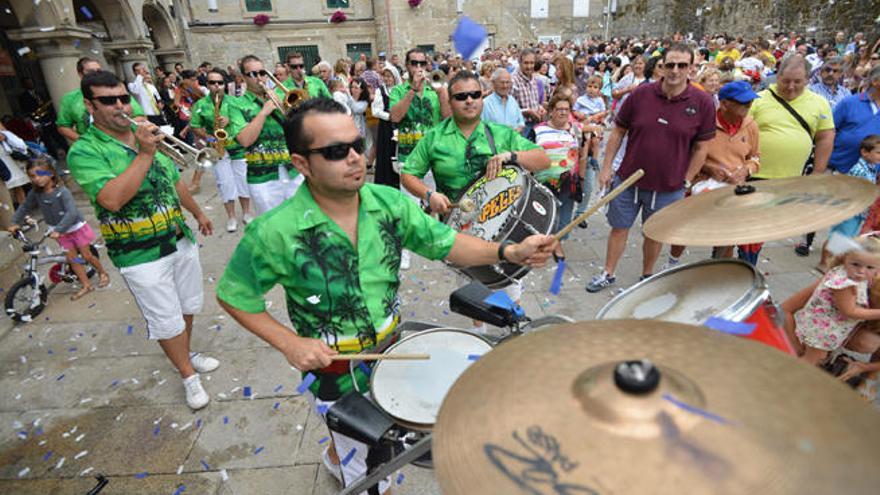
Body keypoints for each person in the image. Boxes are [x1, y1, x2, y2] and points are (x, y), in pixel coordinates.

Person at [216, 98, 555, 493]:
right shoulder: (273, 232)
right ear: (302, 164)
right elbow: (234, 295)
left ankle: (338, 456)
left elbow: (447, 244)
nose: (356, 158)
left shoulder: (390, 204)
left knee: (384, 446)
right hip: (333, 372)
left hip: (393, 352)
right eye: (336, 152)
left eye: (358, 145)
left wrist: (507, 252)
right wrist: (289, 343)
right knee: (374, 476)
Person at [66, 70, 217, 410]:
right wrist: (145, 154)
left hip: (178, 236)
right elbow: (111, 199)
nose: (120, 105)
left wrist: (198, 213)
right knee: (166, 318)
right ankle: (187, 376)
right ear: (90, 105)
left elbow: (172, 180)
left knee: (188, 305)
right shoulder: (85, 151)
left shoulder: (142, 133)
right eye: (108, 100)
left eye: (123, 97)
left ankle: (186, 354)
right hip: (139, 253)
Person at [400, 71, 550, 329]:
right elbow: (408, 175)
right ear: (450, 100)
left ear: (482, 97)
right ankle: (478, 338)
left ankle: (513, 338)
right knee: (475, 296)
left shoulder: (499, 133)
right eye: (461, 96)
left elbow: (544, 159)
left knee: (509, 294)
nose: (469, 101)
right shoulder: (435, 137)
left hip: (503, 227)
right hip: (461, 232)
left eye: (475, 95)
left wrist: (511, 156)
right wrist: (429, 194)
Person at [587, 44, 715, 293]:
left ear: (691, 68)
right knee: (618, 228)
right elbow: (617, 133)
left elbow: (701, 148)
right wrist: (606, 168)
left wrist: (686, 181)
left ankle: (646, 276)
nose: (675, 70)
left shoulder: (703, 102)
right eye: (670, 65)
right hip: (628, 178)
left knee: (654, 233)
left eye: (681, 65)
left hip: (669, 185)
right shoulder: (640, 95)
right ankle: (608, 273)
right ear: (661, 67)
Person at [666, 81, 762, 265]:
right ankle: (672, 261)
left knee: (729, 234)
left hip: (734, 186)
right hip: (700, 183)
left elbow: (755, 157)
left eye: (750, 101)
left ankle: (719, 266)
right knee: (685, 227)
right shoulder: (704, 121)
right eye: (742, 102)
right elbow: (685, 152)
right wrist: (709, 169)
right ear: (725, 104)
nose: (748, 106)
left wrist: (746, 171)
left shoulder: (751, 126)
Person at [749, 55, 836, 257]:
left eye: (797, 82)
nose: (790, 87)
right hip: (753, 176)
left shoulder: (819, 103)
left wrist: (818, 172)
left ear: (807, 80)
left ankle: (746, 266)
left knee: (759, 231)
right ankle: (730, 262)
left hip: (789, 180)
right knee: (742, 228)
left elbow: (825, 137)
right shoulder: (758, 99)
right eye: (785, 81)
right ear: (777, 77)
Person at [8, 158, 110, 300]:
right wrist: (14, 222)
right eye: (32, 176)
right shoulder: (35, 193)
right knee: (74, 260)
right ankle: (86, 285)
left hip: (75, 228)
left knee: (86, 256)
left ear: (50, 174)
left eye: (40, 174)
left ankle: (102, 272)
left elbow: (72, 213)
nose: (36, 179)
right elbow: (24, 207)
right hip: (60, 233)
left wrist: (59, 230)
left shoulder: (62, 192)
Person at [226, 55, 300, 215]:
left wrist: (288, 109)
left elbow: (300, 128)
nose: (259, 78)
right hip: (263, 177)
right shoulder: (235, 104)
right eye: (253, 74)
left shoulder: (281, 96)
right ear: (243, 77)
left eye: (262, 72)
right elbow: (245, 140)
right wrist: (264, 112)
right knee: (274, 225)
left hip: (293, 170)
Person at [790, 236, 880, 365]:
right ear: (845, 258)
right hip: (823, 330)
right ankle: (789, 379)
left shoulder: (847, 273)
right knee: (812, 360)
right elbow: (850, 311)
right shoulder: (846, 284)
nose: (861, 271)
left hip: (821, 325)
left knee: (816, 357)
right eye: (856, 264)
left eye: (870, 268)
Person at [190, 68, 252, 232]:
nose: (216, 86)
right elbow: (195, 126)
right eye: (212, 82)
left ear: (225, 84)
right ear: (208, 84)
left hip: (237, 146)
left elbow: (245, 122)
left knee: (243, 181)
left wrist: (230, 120)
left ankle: (246, 213)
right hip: (217, 149)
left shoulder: (234, 102)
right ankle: (231, 217)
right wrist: (209, 137)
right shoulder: (201, 105)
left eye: (220, 83)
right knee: (225, 183)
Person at [534, 94, 586, 260]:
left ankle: (557, 243)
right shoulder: (537, 130)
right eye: (559, 109)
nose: (563, 113)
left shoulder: (576, 130)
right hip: (543, 182)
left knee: (564, 216)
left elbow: (582, 154)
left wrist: (582, 178)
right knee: (544, 215)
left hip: (568, 182)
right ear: (551, 111)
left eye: (566, 109)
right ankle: (546, 242)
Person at [818, 135, 880, 271]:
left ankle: (833, 260)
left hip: (859, 212)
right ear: (865, 152)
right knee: (838, 237)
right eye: (878, 152)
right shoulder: (860, 169)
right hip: (851, 210)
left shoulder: (871, 168)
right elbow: (851, 190)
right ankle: (824, 261)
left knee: (845, 238)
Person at [57, 57, 145, 143]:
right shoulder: (70, 99)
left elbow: (140, 117)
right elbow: (63, 126)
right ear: (80, 74)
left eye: (99, 71)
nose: (96, 74)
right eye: (91, 72)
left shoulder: (117, 92)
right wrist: (86, 141)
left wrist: (119, 131)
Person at [372, 65, 401, 188]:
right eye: (385, 76)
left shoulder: (400, 90)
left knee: (398, 151)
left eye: (390, 76)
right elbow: (375, 111)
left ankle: (398, 178)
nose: (387, 79)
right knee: (386, 151)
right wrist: (390, 116)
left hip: (400, 125)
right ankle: (386, 180)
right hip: (386, 127)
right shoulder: (380, 91)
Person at [510, 49, 546, 138]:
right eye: (526, 63)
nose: (529, 66)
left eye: (532, 63)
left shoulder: (533, 78)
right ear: (519, 62)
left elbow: (534, 101)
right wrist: (527, 112)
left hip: (535, 124)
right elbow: (507, 109)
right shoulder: (513, 81)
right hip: (521, 127)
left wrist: (540, 108)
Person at [480, 69, 525, 133]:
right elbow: (482, 128)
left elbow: (521, 122)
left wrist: (517, 130)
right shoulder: (485, 104)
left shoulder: (512, 100)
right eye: (502, 82)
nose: (505, 86)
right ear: (493, 83)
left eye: (507, 82)